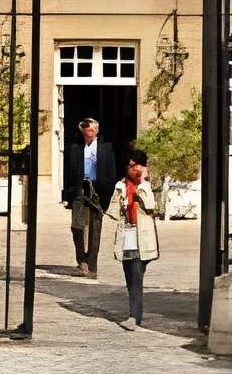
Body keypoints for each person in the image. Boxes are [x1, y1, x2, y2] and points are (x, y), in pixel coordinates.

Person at [105, 147, 160, 330]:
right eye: (130, 165)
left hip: (142, 237)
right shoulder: (121, 185)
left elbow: (151, 205)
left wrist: (142, 184)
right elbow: (113, 212)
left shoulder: (146, 186)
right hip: (126, 235)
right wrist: (119, 196)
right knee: (130, 277)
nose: (133, 169)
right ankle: (134, 314)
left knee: (136, 276)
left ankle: (134, 317)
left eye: (135, 165)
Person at [61, 117, 117, 278]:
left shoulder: (106, 148)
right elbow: (68, 173)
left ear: (97, 130)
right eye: (87, 130)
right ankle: (81, 259)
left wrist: (108, 191)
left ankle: (92, 266)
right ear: (82, 131)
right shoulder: (75, 148)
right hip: (80, 190)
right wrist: (68, 193)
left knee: (95, 229)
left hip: (98, 191)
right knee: (77, 226)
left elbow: (112, 171)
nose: (89, 132)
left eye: (92, 130)